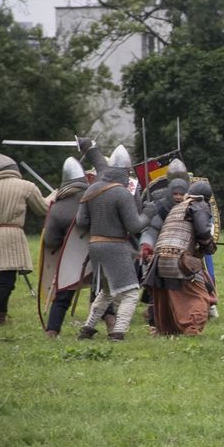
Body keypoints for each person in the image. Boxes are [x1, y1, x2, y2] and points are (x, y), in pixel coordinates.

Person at [76, 144, 153, 341]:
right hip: (115, 247)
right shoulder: (122, 193)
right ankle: (118, 332)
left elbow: (81, 221)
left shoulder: (92, 189)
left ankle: (87, 328)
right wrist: (148, 213)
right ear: (124, 172)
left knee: (108, 290)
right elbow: (135, 226)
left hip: (95, 245)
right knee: (131, 293)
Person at [42, 157, 118, 337]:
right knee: (102, 289)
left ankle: (52, 331)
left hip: (72, 259)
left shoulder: (58, 209)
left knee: (63, 294)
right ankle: (111, 325)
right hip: (99, 251)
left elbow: (50, 241)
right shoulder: (96, 200)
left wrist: (67, 245)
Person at [0, 151, 49, 326]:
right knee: (6, 281)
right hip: (12, 236)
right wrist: (56, 196)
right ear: (15, 169)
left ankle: (0, 318)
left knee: (5, 279)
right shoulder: (26, 186)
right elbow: (43, 209)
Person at [142, 180, 216, 335]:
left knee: (170, 294)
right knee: (199, 294)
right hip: (178, 257)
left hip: (159, 258)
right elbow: (203, 231)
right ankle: (192, 327)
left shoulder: (177, 208)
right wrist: (208, 244)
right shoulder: (198, 204)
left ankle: (165, 329)